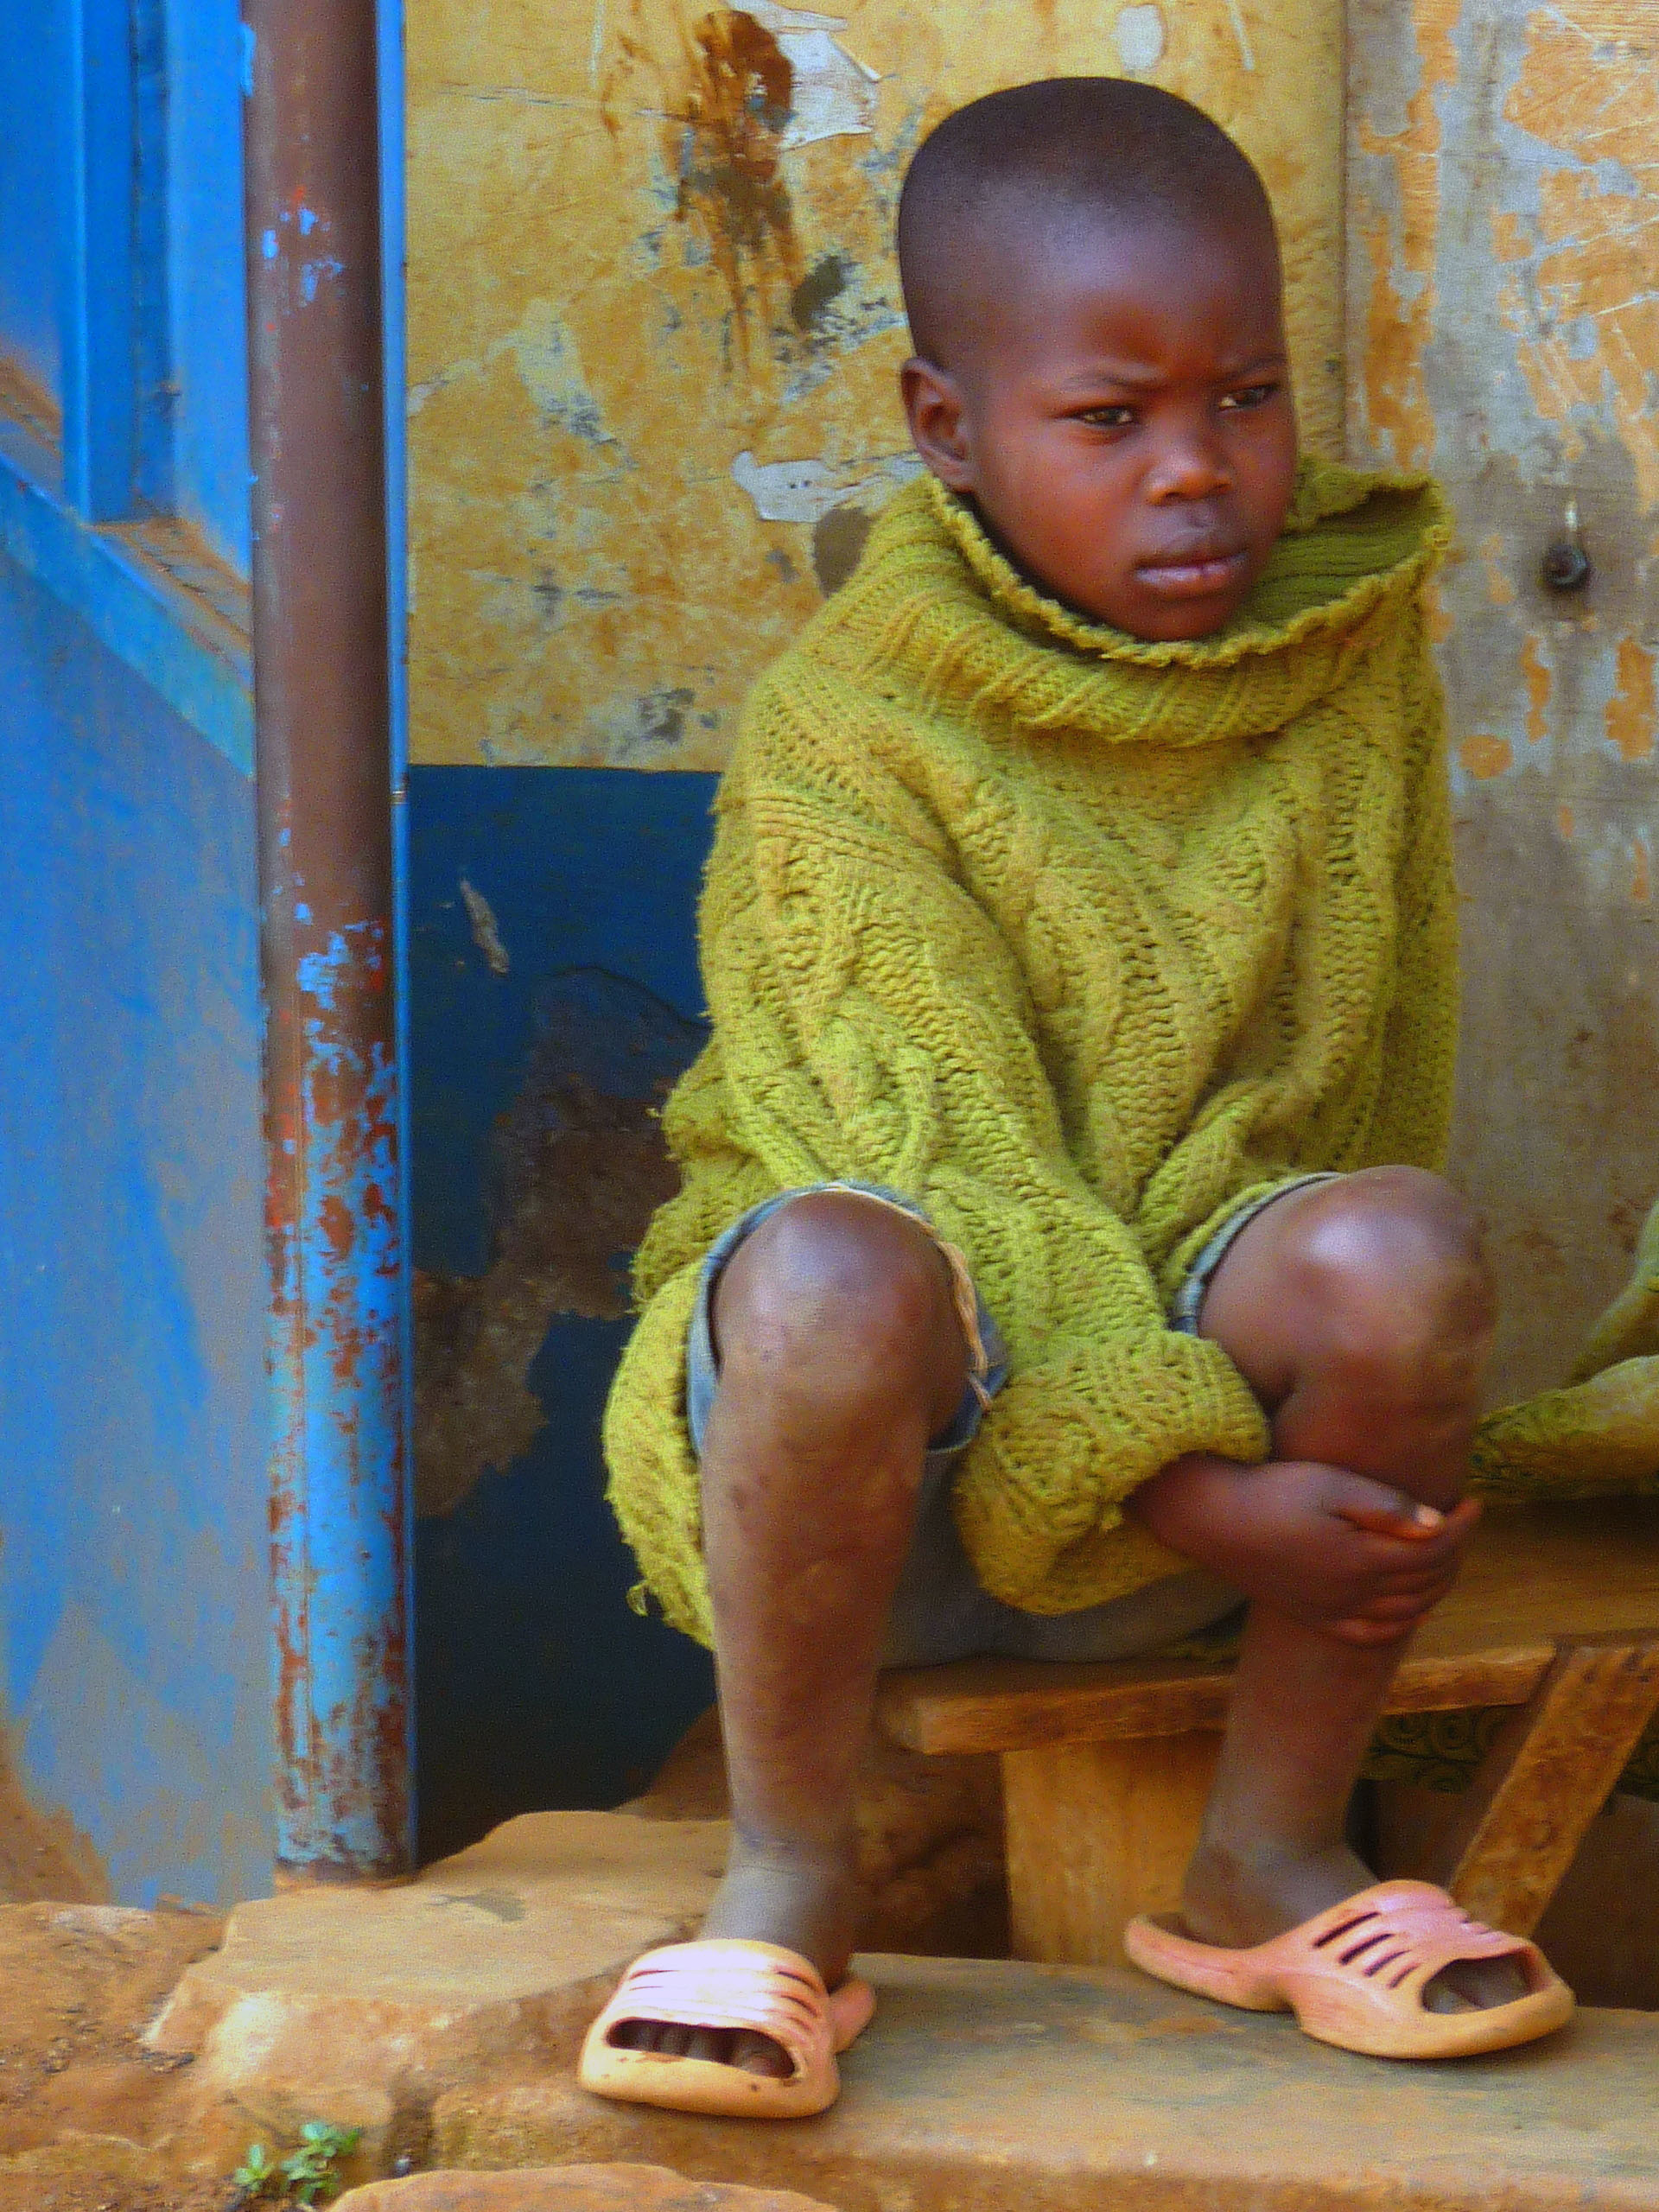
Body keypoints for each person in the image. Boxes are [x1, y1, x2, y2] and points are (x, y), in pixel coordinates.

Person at [579, 77, 1573, 2117]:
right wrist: (1195, 1488)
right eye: (1110, 421)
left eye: (1249, 398)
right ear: (949, 429)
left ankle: (1274, 1854)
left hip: (1224, 1489)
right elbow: (953, 1169)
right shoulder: (850, 730)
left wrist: (1276, 1432)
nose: (1199, 474)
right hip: (890, 1470)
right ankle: (786, 1885)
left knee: (1399, 1234)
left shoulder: (1343, 665)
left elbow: (1344, 1099)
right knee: (844, 1267)